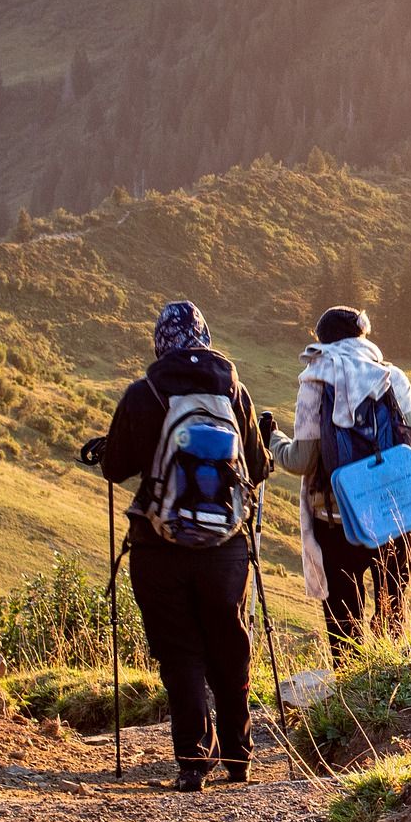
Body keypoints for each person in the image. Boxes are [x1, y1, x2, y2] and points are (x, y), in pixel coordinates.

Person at [97, 301, 268, 792]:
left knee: (180, 651)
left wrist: (108, 448)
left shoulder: (143, 392)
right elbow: (255, 469)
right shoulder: (234, 391)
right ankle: (240, 756)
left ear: (160, 343)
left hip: (158, 546)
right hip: (226, 546)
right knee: (229, 644)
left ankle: (194, 761)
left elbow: (115, 469)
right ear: (204, 336)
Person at [266, 306, 411, 664]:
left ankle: (351, 701)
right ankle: (391, 698)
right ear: (363, 336)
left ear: (323, 341)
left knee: (344, 626)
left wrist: (273, 441)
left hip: (335, 519)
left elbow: (301, 461)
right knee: (392, 616)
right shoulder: (392, 377)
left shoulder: (315, 381)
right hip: (392, 517)